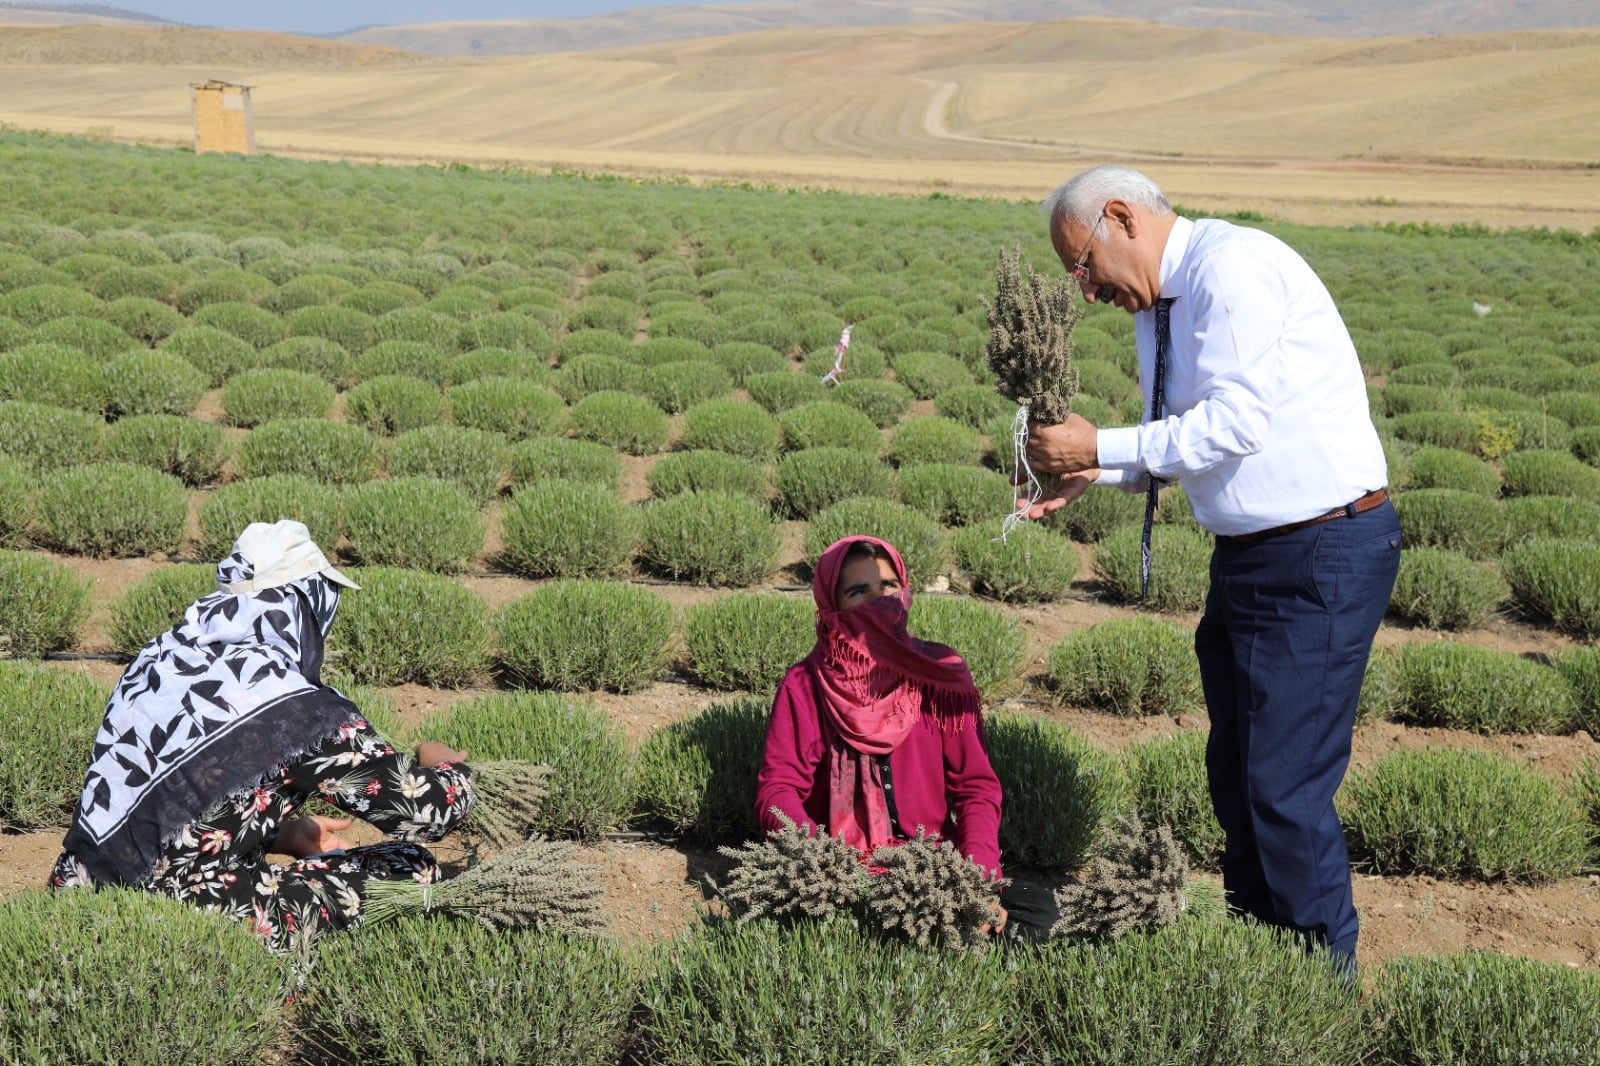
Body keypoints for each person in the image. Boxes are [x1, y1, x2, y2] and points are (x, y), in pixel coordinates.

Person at [1021, 164, 1398, 969]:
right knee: (1238, 777)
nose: (1084, 291)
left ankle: (1319, 994)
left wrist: (1101, 443)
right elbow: (1185, 437)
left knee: (1285, 791)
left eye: (1082, 265)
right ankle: (1262, 970)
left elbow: (1234, 424)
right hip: (1255, 556)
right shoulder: (1161, 305)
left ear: (1121, 217)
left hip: (1319, 553)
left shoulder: (1231, 269)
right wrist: (1103, 471)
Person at [49, 519, 475, 953]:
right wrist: (441, 762)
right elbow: (428, 814)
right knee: (412, 866)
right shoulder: (295, 709)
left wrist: (280, 835)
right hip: (180, 923)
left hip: (79, 895)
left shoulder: (159, 661)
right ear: (303, 605)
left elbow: (172, 802)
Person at [754, 535, 1007, 933]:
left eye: (889, 586)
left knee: (1035, 922)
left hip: (935, 874)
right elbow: (778, 790)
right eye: (859, 591)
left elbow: (976, 788)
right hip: (842, 877)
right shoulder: (805, 684)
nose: (880, 601)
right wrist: (818, 863)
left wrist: (978, 879)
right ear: (832, 605)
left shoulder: (940, 674)